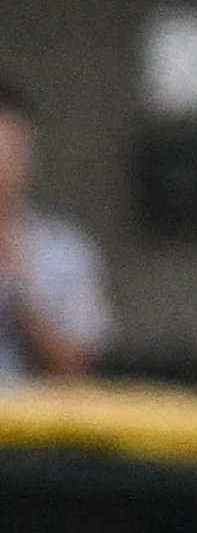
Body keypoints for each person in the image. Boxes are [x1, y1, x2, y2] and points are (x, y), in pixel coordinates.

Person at [0, 78, 113, 385]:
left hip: (34, 428)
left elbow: (77, 371)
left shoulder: (65, 252)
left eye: (9, 152)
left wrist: (15, 290)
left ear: (30, 160)